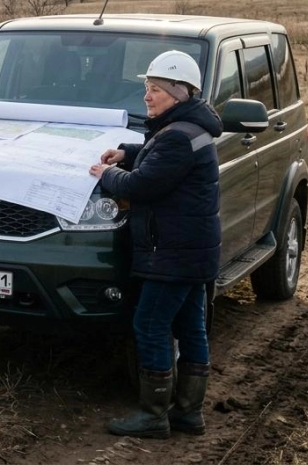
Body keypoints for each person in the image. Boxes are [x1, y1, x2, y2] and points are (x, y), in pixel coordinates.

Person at [88, 50, 222, 439]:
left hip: (172, 253)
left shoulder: (178, 137)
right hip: (192, 251)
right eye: (146, 88)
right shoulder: (187, 129)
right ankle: (187, 413)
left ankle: (153, 415)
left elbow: (143, 184)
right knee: (191, 327)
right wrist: (129, 153)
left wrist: (108, 172)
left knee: (149, 324)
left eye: (156, 90)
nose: (147, 96)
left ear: (179, 93)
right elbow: (157, 159)